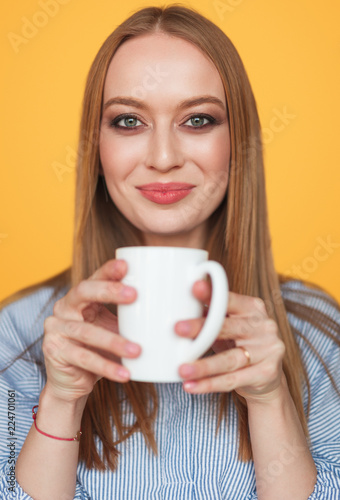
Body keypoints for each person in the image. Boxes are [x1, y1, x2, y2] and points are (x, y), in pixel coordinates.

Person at [0, 4, 339, 499]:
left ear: (237, 141)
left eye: (198, 120)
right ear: (95, 146)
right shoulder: (20, 333)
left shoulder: (316, 334)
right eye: (129, 121)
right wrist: (62, 401)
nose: (163, 158)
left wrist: (270, 401)